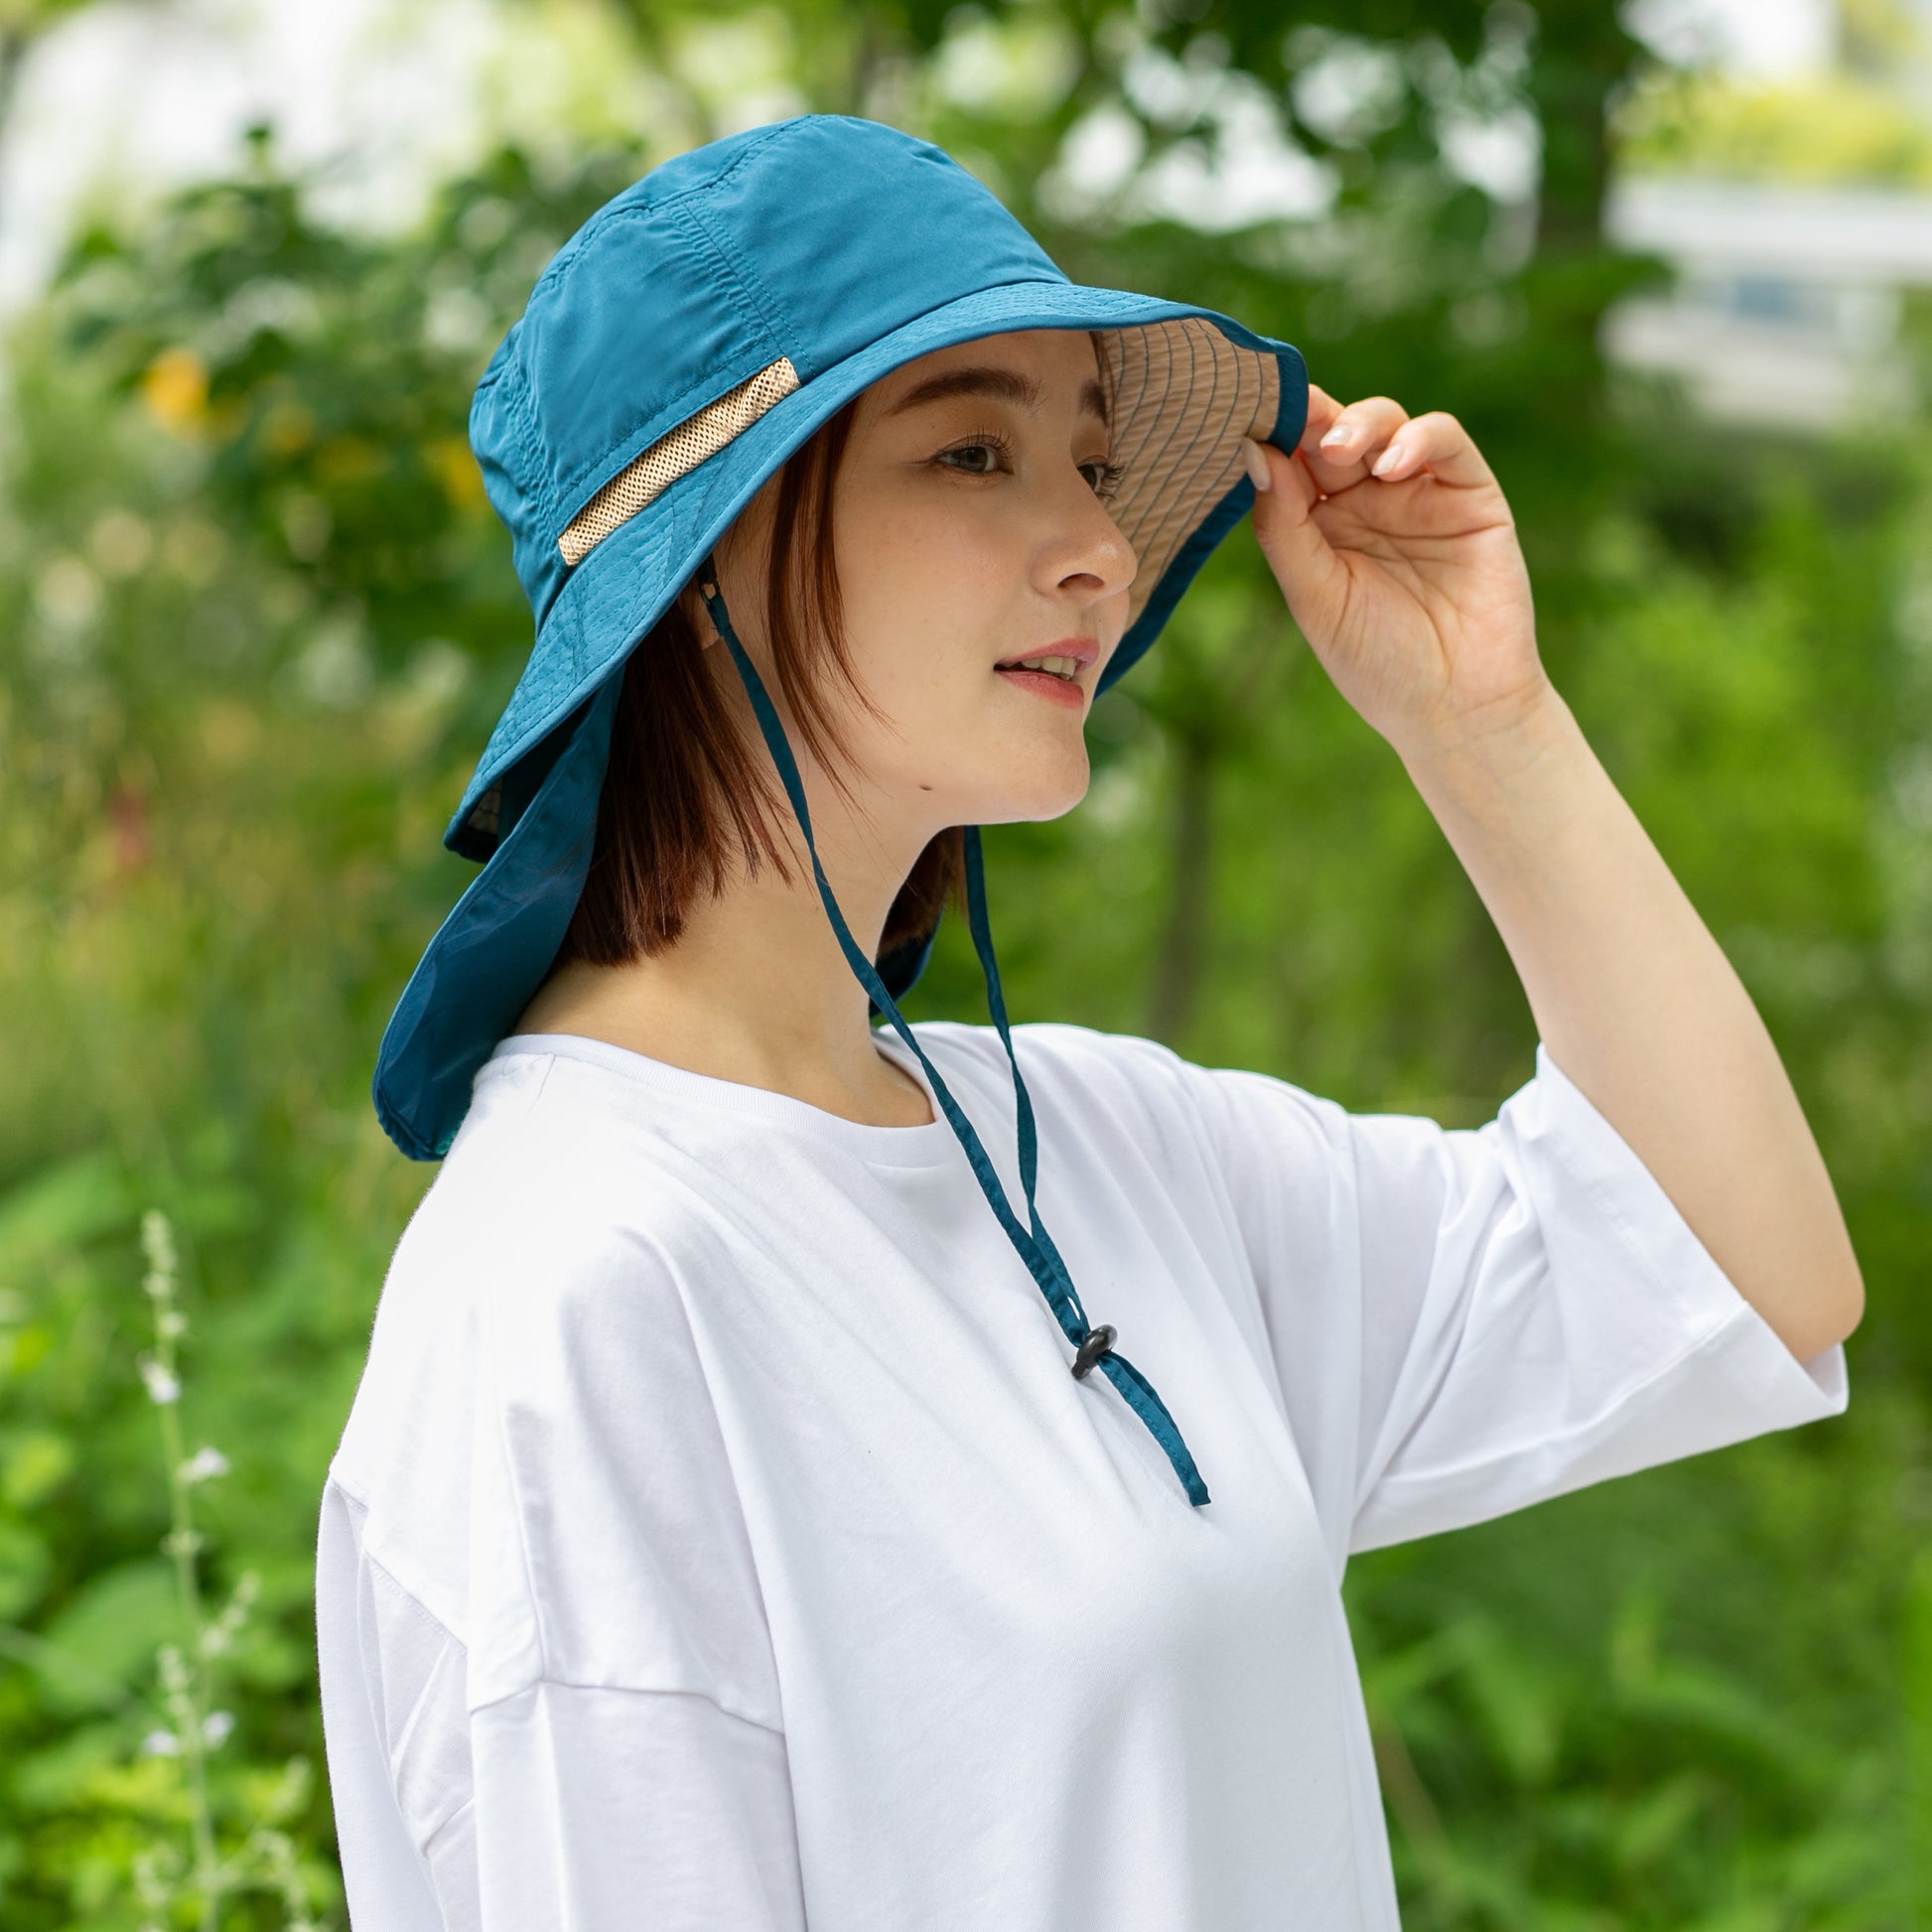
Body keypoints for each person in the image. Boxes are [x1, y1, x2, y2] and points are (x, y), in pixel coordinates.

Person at [314, 116, 1861, 1930]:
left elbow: (1733, 1269)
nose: (1101, 553)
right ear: (700, 555)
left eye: (1098, 464)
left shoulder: (1107, 1145)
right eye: (972, 451)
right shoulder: (575, 1290)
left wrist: (1481, 721)